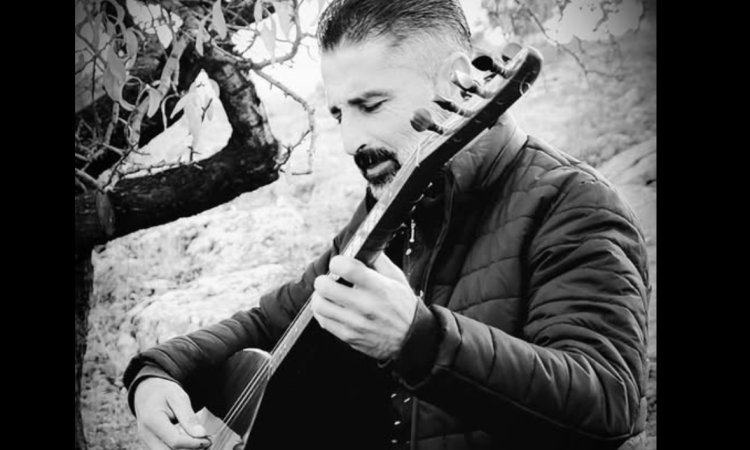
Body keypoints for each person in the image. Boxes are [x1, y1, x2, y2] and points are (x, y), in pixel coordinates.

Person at [122, 1, 651, 449]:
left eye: (370, 105)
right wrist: (157, 372)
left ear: (455, 80)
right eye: (338, 114)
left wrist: (418, 339)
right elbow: (275, 320)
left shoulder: (574, 205)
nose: (350, 140)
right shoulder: (392, 207)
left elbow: (609, 401)